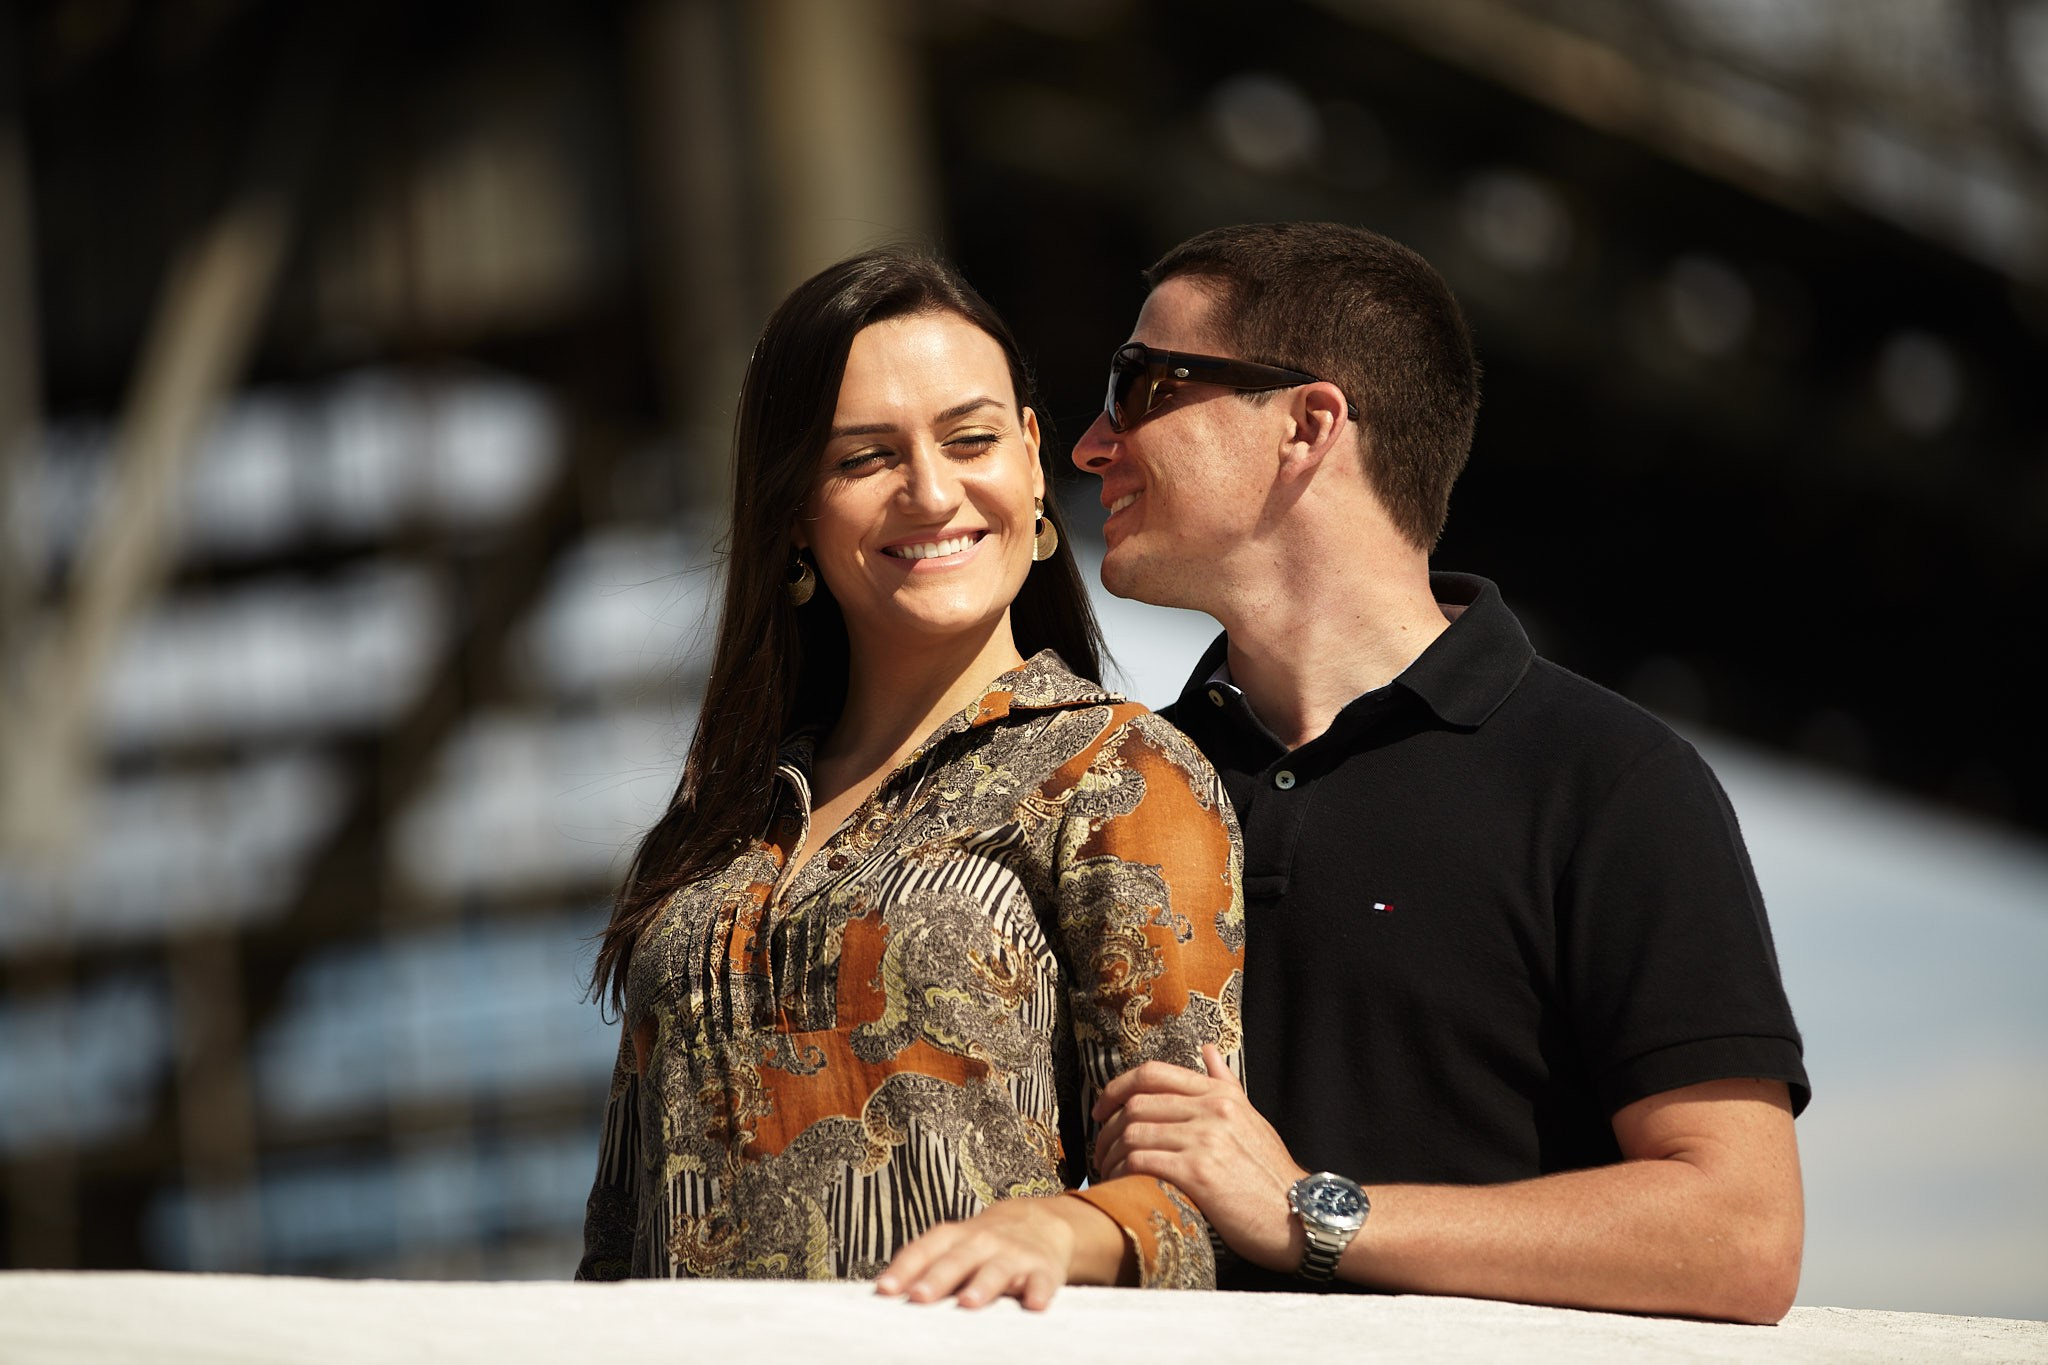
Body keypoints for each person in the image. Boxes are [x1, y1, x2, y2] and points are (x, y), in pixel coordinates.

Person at [1071, 222, 1809, 1324]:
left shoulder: (1607, 783)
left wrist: (1309, 1213)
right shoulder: (1115, 784)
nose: (1090, 443)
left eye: (1142, 385)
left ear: (1306, 426)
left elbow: (1739, 1234)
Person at [575, 247, 1244, 1309]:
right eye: (862, 459)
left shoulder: (1113, 774)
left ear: (1031, 459)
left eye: (969, 440)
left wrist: (1054, 1226)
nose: (929, 493)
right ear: (794, 508)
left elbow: (1197, 1206)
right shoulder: (724, 820)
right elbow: (613, 1241)